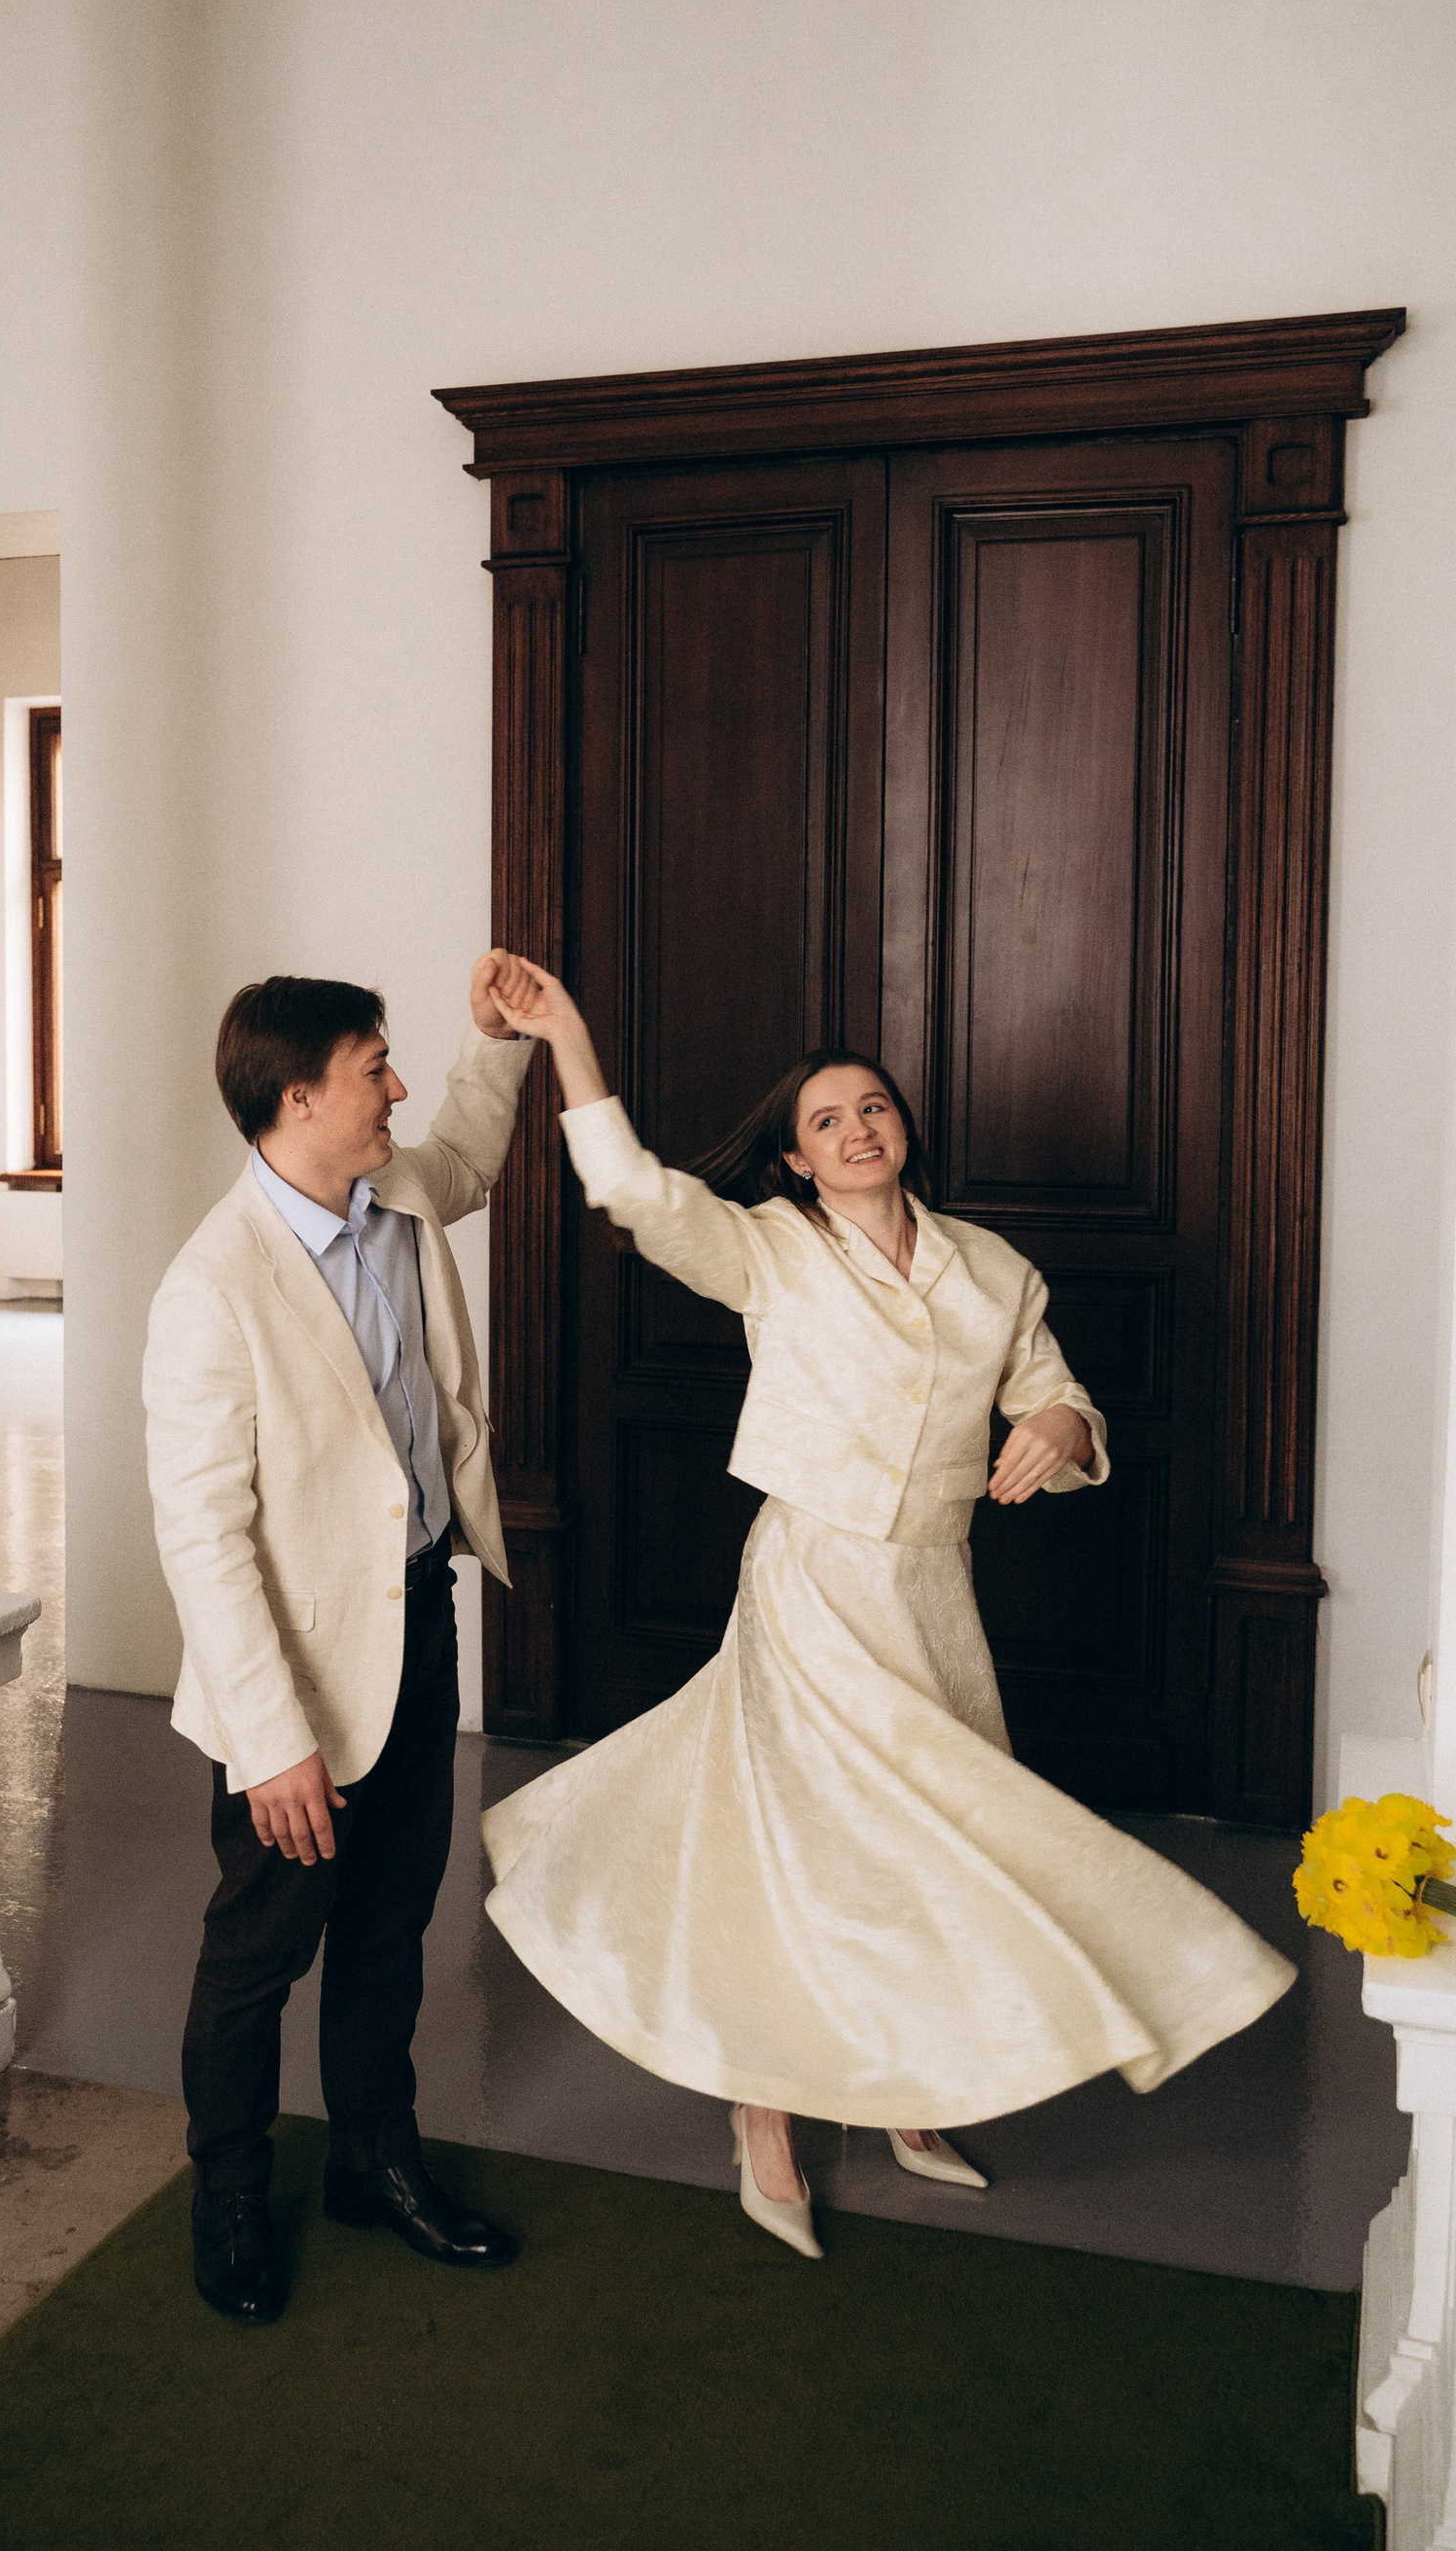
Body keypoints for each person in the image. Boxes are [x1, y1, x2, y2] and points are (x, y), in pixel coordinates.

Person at [480, 960, 1296, 2259]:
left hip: (933, 1590)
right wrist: (566, 1033)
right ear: (796, 1160)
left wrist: (1062, 1424)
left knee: (928, 1848)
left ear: (902, 1126)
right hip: (810, 1579)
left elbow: (1058, 1392)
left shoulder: (993, 1267)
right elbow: (632, 1189)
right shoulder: (769, 1251)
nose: (857, 1128)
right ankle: (765, 2111)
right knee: (804, 1846)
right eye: (827, 1120)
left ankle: (906, 2087)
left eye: (873, 1107)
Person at [143, 955, 537, 2323]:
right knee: (260, 1953)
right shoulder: (211, 1288)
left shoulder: (397, 1193)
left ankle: (375, 2161)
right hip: (293, 1683)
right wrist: (272, 1744)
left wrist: (498, 1040)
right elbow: (204, 1540)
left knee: (390, 1922)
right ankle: (229, 2191)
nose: (399, 1088)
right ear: (298, 1096)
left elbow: (470, 1155)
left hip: (420, 1617)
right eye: (377, 1068)